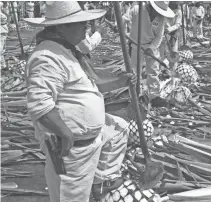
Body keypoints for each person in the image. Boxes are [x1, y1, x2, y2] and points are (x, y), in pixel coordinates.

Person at [24, 2, 137, 201]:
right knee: (71, 197)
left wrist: (121, 81)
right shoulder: (47, 57)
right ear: (61, 27)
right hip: (71, 149)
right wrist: (66, 135)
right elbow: (40, 106)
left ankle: (102, 181)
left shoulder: (67, 50)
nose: (86, 27)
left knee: (118, 129)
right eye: (80, 23)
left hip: (89, 139)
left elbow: (90, 86)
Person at [123, 1, 175, 107]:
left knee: (153, 71)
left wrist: (151, 48)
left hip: (151, 46)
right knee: (135, 72)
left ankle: (154, 96)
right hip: (136, 44)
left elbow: (159, 37)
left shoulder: (161, 18)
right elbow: (124, 18)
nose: (157, 13)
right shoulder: (137, 10)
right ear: (151, 7)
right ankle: (136, 95)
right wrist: (121, 28)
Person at [1, 2, 8, 69]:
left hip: (4, 31)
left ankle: (3, 64)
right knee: (1, 49)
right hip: (1, 31)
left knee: (3, 49)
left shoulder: (2, 14)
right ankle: (2, 65)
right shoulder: (1, 15)